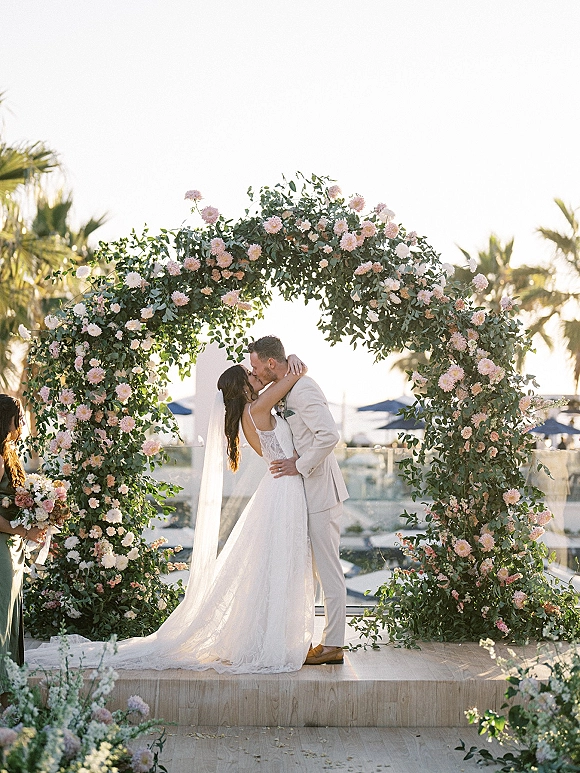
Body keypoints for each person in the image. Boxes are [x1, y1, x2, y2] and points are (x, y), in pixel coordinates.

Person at [27, 356, 314, 674]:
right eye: (251, 373)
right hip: (282, 490)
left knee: (273, 566)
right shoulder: (257, 409)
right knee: (277, 564)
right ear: (244, 389)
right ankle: (268, 640)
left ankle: (266, 636)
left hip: (279, 489)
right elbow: (288, 376)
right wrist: (288, 363)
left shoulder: (250, 414)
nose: (256, 374)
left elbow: (275, 445)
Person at [249, 336, 349, 666]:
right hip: (304, 494)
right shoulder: (284, 389)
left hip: (322, 491)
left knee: (328, 570)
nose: (255, 372)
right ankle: (319, 639)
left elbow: (329, 437)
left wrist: (299, 464)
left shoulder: (303, 389)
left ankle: (333, 644)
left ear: (270, 363)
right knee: (315, 570)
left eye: (256, 366)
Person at [0, 395, 44, 694]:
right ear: (8, 422)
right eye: (20, 418)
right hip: (1, 550)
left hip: (12, 548)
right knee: (1, 619)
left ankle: (9, 691)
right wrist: (24, 532)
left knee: (11, 617)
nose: (24, 424)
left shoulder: (10, 453)